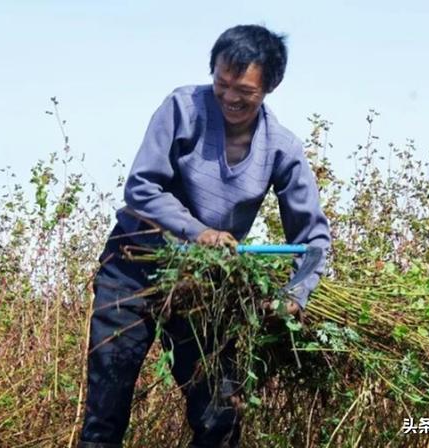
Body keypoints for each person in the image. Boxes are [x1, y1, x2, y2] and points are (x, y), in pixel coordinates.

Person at [79, 24, 331, 448]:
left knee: (220, 416)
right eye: (222, 84)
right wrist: (199, 233)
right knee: (107, 407)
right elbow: (142, 188)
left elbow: (312, 238)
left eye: (244, 91)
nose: (231, 97)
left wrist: (295, 293)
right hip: (133, 266)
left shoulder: (282, 149)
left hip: (204, 286)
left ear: (270, 86)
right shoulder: (182, 107)